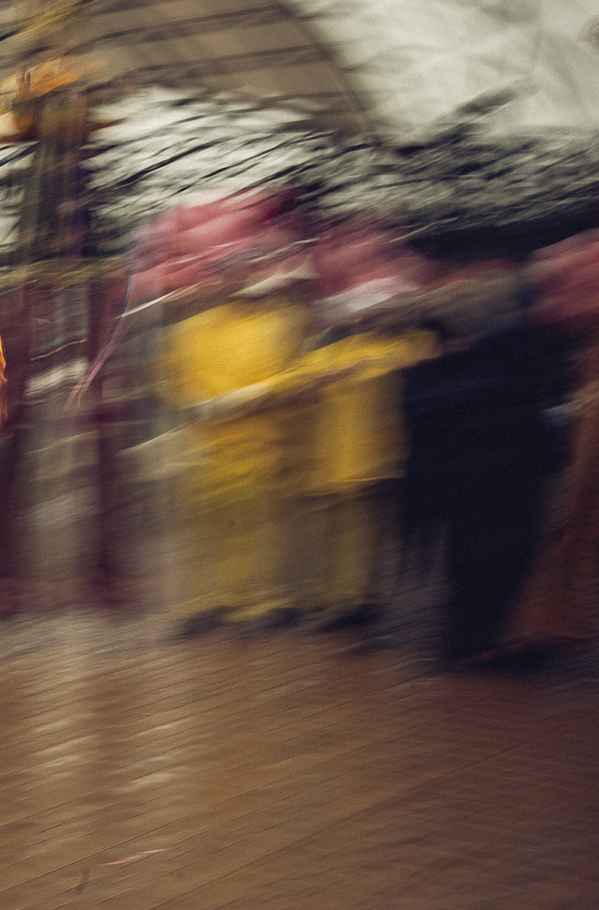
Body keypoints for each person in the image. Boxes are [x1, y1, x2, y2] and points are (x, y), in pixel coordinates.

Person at [398, 269, 572, 667]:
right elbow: (533, 414)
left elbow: (420, 419)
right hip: (498, 478)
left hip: (471, 479)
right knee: (492, 558)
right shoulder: (509, 357)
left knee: (477, 558)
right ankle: (475, 641)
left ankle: (476, 638)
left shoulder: (442, 363)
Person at [159, 249, 314, 635]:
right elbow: (169, 379)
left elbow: (299, 373)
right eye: (221, 275)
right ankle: (206, 602)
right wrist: (193, 401)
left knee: (255, 526)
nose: (229, 282)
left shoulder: (278, 324)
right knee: (203, 529)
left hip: (259, 440)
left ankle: (253, 603)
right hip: (205, 444)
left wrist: (255, 394)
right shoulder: (188, 331)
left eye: (238, 273)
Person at [282, 281, 435, 630]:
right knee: (336, 534)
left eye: (380, 313)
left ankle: (359, 599)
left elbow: (403, 364)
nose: (372, 320)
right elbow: (296, 377)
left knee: (365, 535)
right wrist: (318, 377)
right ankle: (336, 600)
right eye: (368, 314)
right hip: (334, 463)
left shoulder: (411, 345)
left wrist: (355, 369)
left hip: (376, 461)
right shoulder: (341, 350)